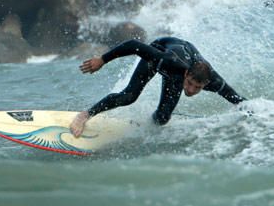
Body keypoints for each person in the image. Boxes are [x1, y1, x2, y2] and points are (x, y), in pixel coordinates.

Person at [70, 36, 246, 137]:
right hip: (162, 50)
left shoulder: (214, 81)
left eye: (197, 88)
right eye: (190, 84)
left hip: (179, 68)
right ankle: (85, 115)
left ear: (206, 85)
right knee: (129, 96)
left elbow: (238, 100)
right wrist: (102, 60)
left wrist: (256, 115)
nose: (190, 90)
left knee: (163, 118)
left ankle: (144, 124)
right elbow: (133, 45)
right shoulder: (169, 62)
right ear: (187, 75)